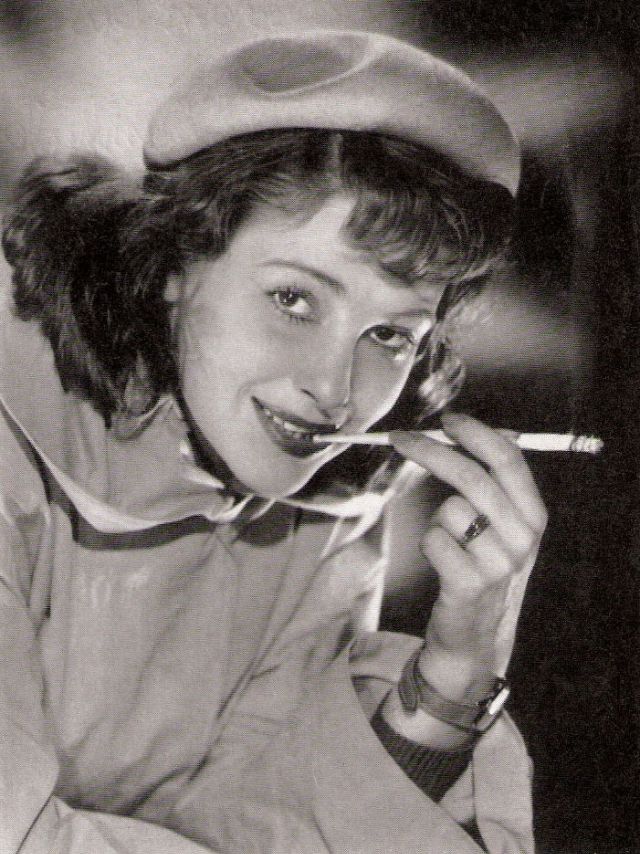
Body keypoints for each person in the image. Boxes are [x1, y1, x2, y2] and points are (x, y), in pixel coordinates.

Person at [0, 30, 546, 854]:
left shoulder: (324, 508)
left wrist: (452, 676)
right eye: (294, 299)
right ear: (172, 262)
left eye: (392, 336)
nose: (334, 389)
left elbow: (251, 831)